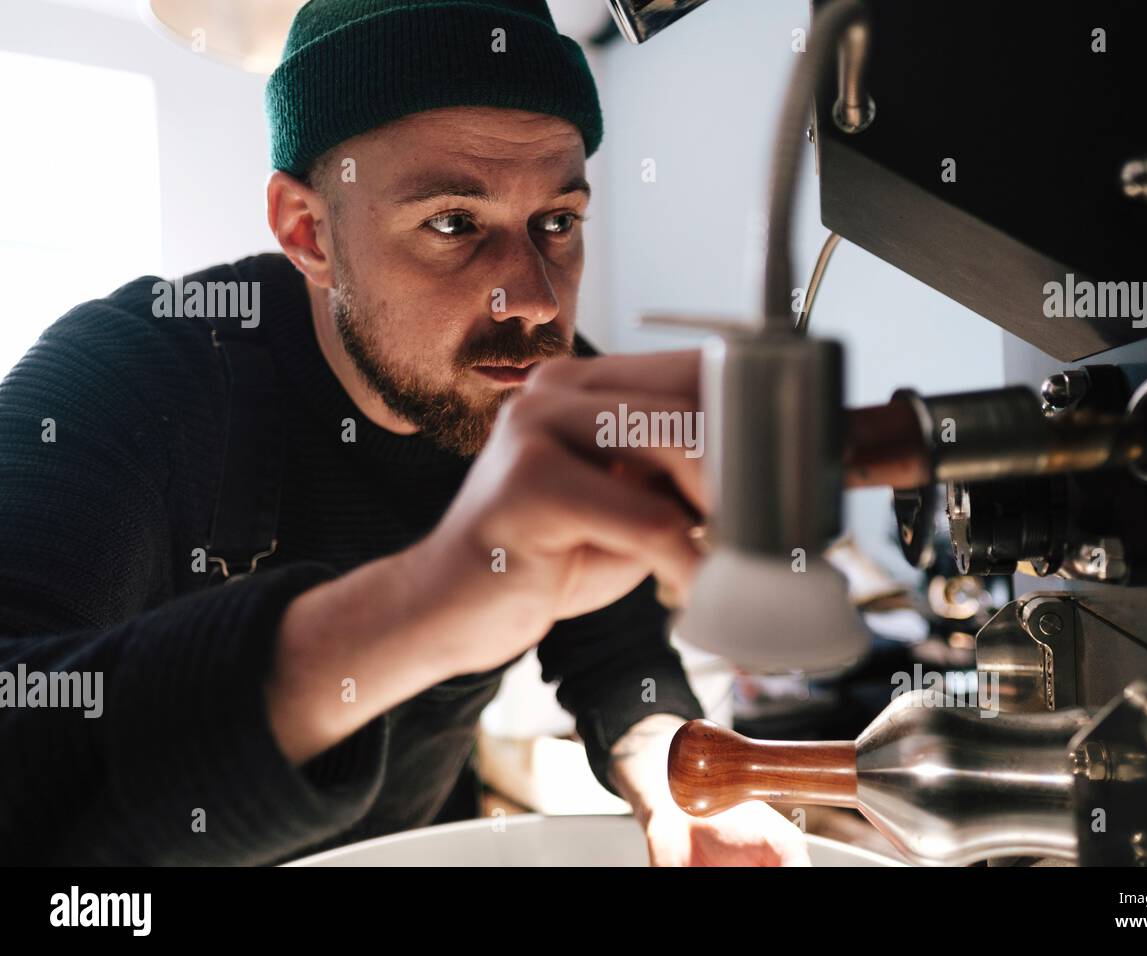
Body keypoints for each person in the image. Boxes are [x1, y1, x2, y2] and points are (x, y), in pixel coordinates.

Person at [0, 0, 808, 866]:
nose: (533, 299)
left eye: (559, 223)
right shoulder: (128, 373)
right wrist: (421, 605)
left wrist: (677, 779)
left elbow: (617, 657)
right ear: (308, 232)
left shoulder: (549, 399)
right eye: (454, 224)